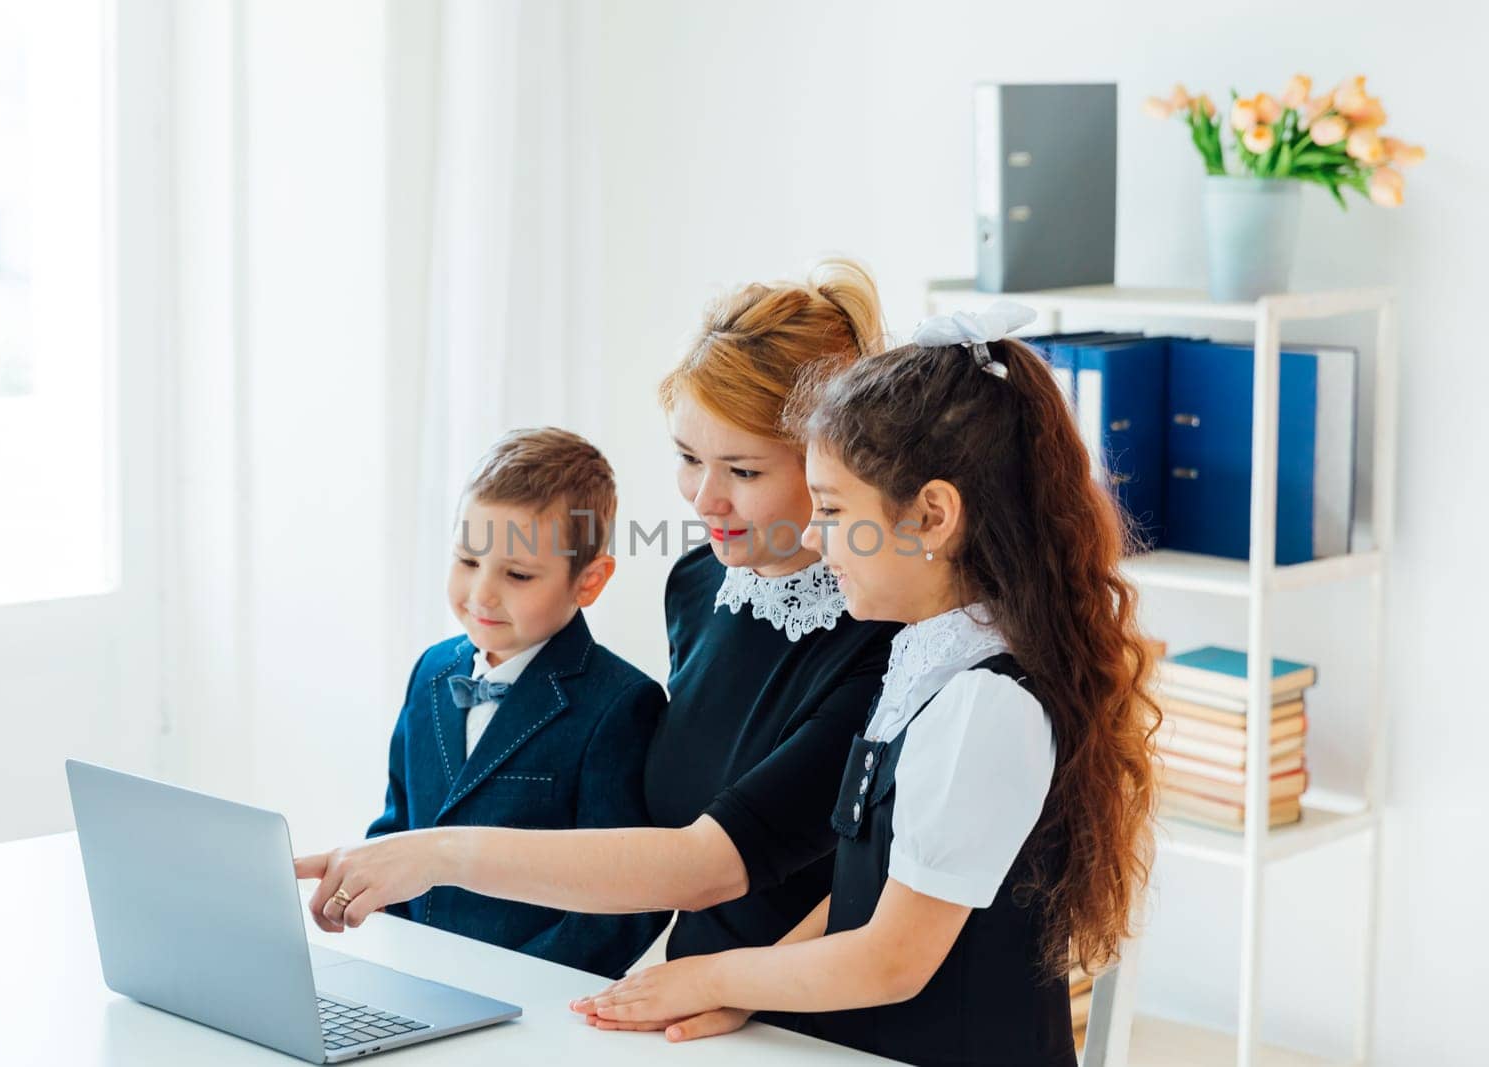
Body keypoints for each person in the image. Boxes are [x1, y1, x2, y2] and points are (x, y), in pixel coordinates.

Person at [295, 260, 900, 1040]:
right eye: (687, 457)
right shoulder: (699, 583)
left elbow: (734, 859)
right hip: (684, 997)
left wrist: (742, 985)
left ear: (827, 466)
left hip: (808, 1012)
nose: (703, 499)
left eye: (742, 470)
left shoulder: (880, 631)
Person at [570, 304, 1160, 1065]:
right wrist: (744, 984)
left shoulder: (985, 705)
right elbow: (871, 887)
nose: (814, 537)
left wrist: (709, 973)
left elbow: (890, 957)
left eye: (835, 510)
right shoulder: (928, 662)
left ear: (933, 516)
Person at [359, 427, 668, 979]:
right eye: (467, 561)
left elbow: (627, 905)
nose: (481, 594)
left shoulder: (622, 703)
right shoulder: (432, 670)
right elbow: (397, 826)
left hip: (530, 999)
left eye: (518, 574)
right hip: (409, 976)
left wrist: (519, 988)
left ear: (589, 581)